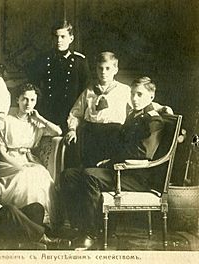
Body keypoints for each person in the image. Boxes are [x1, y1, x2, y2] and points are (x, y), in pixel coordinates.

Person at [60, 77, 165, 249]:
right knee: (68, 175)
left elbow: (143, 154)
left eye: (140, 94)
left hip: (136, 176)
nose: (134, 98)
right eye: (132, 94)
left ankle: (91, 234)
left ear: (151, 97)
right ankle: (78, 227)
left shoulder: (153, 120)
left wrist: (111, 161)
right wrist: (110, 160)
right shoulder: (133, 115)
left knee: (90, 176)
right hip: (120, 170)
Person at [66, 52, 171, 168]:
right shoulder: (89, 91)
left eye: (107, 68)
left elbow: (142, 102)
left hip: (113, 136)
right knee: (87, 168)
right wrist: (72, 129)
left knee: (103, 168)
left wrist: (162, 108)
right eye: (100, 68)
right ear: (96, 69)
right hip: (91, 136)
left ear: (115, 70)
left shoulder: (123, 90)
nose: (103, 72)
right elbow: (75, 113)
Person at [0, 83, 62, 224]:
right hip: (8, 161)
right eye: (25, 99)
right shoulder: (7, 121)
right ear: (17, 100)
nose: (28, 103)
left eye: (32, 100)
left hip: (29, 160)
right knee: (25, 175)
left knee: (41, 174)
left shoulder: (36, 123)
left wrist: (40, 119)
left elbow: (58, 132)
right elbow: (0, 150)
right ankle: (24, 221)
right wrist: (18, 166)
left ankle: (41, 221)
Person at [26, 20, 90, 130]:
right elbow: (34, 86)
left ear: (71, 38)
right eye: (56, 37)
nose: (59, 40)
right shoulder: (43, 59)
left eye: (63, 37)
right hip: (47, 113)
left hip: (71, 113)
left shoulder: (80, 61)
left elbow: (85, 89)